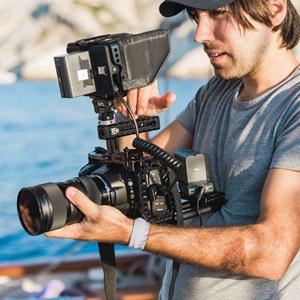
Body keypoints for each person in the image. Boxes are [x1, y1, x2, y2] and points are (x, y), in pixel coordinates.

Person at [45, 0, 300, 298]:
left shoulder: (293, 109)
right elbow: (136, 176)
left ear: (274, 9)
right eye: (196, 16)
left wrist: (132, 234)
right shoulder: (216, 91)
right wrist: (133, 118)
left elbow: (270, 254)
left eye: (218, 14)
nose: (200, 34)